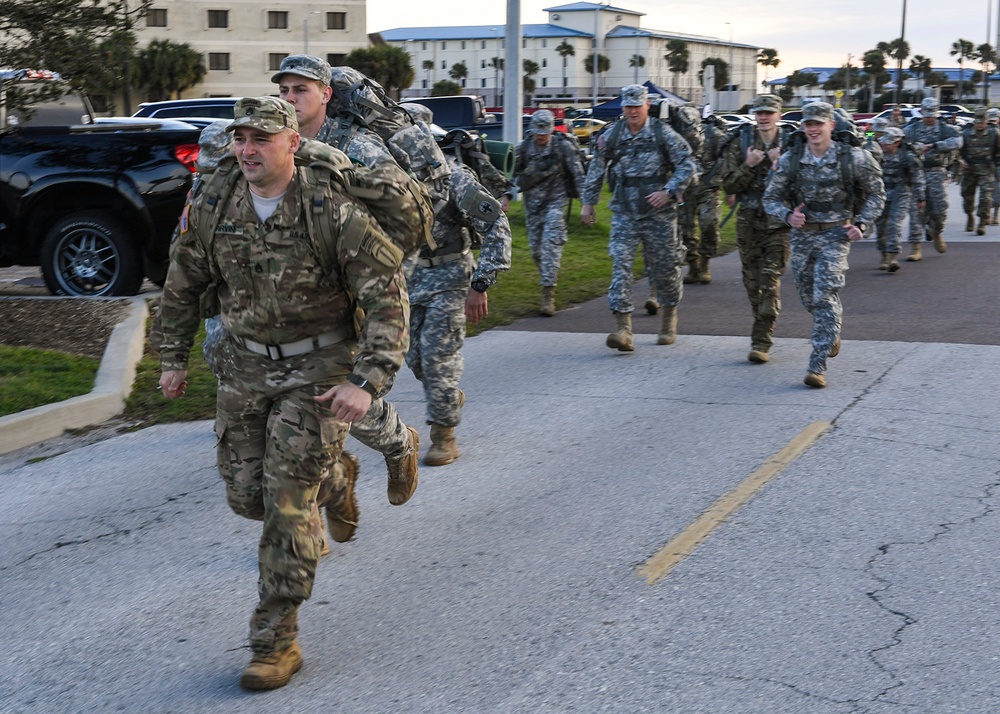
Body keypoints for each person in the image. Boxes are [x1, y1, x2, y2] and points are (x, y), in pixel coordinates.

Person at [157, 97, 425, 690]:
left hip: (319, 371)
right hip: (245, 367)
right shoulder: (216, 200)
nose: (248, 150)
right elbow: (184, 279)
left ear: (292, 143)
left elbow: (386, 297)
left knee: (284, 505)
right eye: (241, 138)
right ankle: (339, 480)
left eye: (262, 139)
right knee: (246, 496)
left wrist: (367, 382)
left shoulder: (331, 208)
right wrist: (172, 358)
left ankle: (274, 639)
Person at [199, 55, 422, 524]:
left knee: (334, 396)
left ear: (326, 94)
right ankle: (314, 503)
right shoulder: (261, 139)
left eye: (301, 89)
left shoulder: (355, 145)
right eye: (284, 89)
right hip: (266, 294)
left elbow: (399, 214)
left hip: (338, 290)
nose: (289, 97)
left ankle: (398, 441)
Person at [404, 104, 512, 466]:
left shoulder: (454, 177)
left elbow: (495, 224)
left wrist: (480, 283)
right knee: (415, 359)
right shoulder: (385, 177)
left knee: (437, 358)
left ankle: (443, 434)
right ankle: (447, 394)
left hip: (450, 276)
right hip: (406, 279)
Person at [762, 101, 885, 389]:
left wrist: (863, 224)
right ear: (803, 127)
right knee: (808, 298)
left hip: (836, 235)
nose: (814, 129)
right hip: (803, 237)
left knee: (824, 295)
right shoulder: (792, 159)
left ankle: (817, 364)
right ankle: (831, 329)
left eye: (819, 123)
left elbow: (877, 193)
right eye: (808, 124)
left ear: (831, 125)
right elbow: (770, 198)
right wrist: (787, 215)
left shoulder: (852, 158)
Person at [580, 84, 696, 351]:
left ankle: (669, 318)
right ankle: (623, 329)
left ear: (646, 106)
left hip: (659, 214)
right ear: (623, 108)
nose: (632, 111)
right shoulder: (613, 134)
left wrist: (669, 191)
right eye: (628, 106)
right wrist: (588, 203)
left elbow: (687, 164)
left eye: (637, 106)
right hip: (624, 211)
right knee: (620, 264)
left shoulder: (661, 132)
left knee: (666, 269)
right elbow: (597, 166)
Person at [718, 94, 795, 364]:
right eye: (759, 112)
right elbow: (727, 185)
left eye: (768, 113)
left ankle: (761, 341)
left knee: (770, 281)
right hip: (748, 221)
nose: (763, 117)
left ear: (779, 115)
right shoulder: (740, 142)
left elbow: (801, 185)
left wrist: (779, 165)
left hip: (777, 224)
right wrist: (748, 166)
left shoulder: (792, 144)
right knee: (753, 284)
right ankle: (761, 325)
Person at [513, 109, 587, 316]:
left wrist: (585, 204)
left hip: (556, 201)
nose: (541, 136)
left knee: (551, 244)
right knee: (536, 251)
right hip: (533, 206)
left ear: (552, 130)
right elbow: (510, 172)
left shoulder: (562, 147)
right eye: (537, 131)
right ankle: (548, 274)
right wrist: (504, 197)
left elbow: (577, 174)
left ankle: (548, 293)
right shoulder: (524, 147)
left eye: (544, 132)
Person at [902, 97, 963, 260]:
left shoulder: (944, 128)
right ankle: (916, 247)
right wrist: (914, 150)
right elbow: (901, 145)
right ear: (921, 112)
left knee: (939, 209)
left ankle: (936, 232)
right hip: (917, 172)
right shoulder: (912, 129)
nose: (929, 117)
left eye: (932, 114)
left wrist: (936, 145)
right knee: (916, 211)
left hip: (937, 172)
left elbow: (958, 141)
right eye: (926, 114)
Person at [677, 110, 725, 286]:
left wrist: (727, 187)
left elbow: (727, 157)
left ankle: (705, 263)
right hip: (685, 189)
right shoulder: (676, 137)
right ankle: (693, 266)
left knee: (709, 223)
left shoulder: (713, 135)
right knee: (685, 229)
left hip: (708, 188)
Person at [874, 126, 925, 272]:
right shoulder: (877, 154)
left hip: (901, 192)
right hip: (882, 192)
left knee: (894, 223)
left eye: (888, 142)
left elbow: (917, 177)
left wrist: (920, 197)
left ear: (897, 142)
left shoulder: (907, 157)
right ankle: (883, 254)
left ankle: (892, 257)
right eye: (884, 141)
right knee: (881, 226)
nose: (884, 144)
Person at [959, 106, 1000, 236]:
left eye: (982, 122)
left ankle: (982, 222)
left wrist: (998, 171)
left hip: (987, 169)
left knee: (986, 198)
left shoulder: (995, 133)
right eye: (977, 122)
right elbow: (958, 152)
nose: (979, 125)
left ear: (986, 121)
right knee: (967, 196)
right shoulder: (966, 133)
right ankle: (970, 215)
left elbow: (999, 154)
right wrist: (961, 161)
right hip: (970, 169)